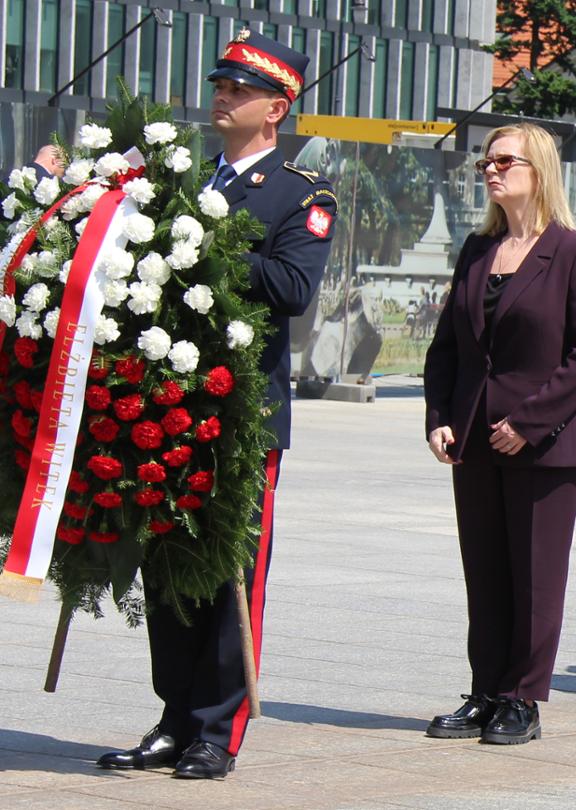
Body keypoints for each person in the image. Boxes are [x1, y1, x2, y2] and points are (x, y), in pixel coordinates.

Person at [94, 30, 335, 780]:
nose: (221, 98)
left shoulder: (302, 193)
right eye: (218, 85)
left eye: (238, 89)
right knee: (167, 568)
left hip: (241, 414)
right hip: (166, 406)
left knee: (230, 565)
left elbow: (293, 289)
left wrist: (206, 238)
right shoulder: (186, 179)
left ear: (276, 108)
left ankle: (215, 729)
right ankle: (174, 715)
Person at [421, 123, 576, 745]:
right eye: (486, 161)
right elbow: (447, 346)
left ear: (539, 170)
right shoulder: (478, 250)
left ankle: (522, 698)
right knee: (485, 570)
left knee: (534, 576)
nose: (491, 170)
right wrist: (440, 417)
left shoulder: (575, 251)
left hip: (546, 445)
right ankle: (485, 690)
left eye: (505, 160)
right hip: (475, 438)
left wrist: (529, 423)